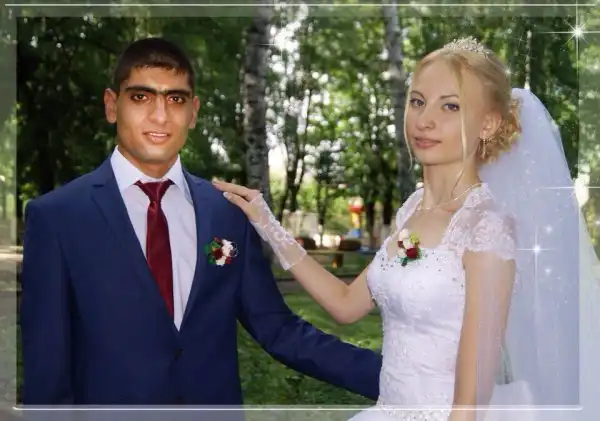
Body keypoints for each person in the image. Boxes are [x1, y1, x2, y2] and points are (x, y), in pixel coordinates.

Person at [214, 36, 600, 421]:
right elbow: (346, 305)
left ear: (488, 124)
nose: (424, 120)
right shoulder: (412, 210)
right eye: (417, 101)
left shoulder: (486, 227)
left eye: (450, 106)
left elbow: (469, 404)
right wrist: (267, 223)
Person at [18, 37, 383, 414]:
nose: (160, 116)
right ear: (112, 105)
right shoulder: (57, 218)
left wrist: (394, 376)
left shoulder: (227, 213)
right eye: (141, 97)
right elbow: (46, 372)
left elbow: (279, 330)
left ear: (193, 112)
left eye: (175, 99)